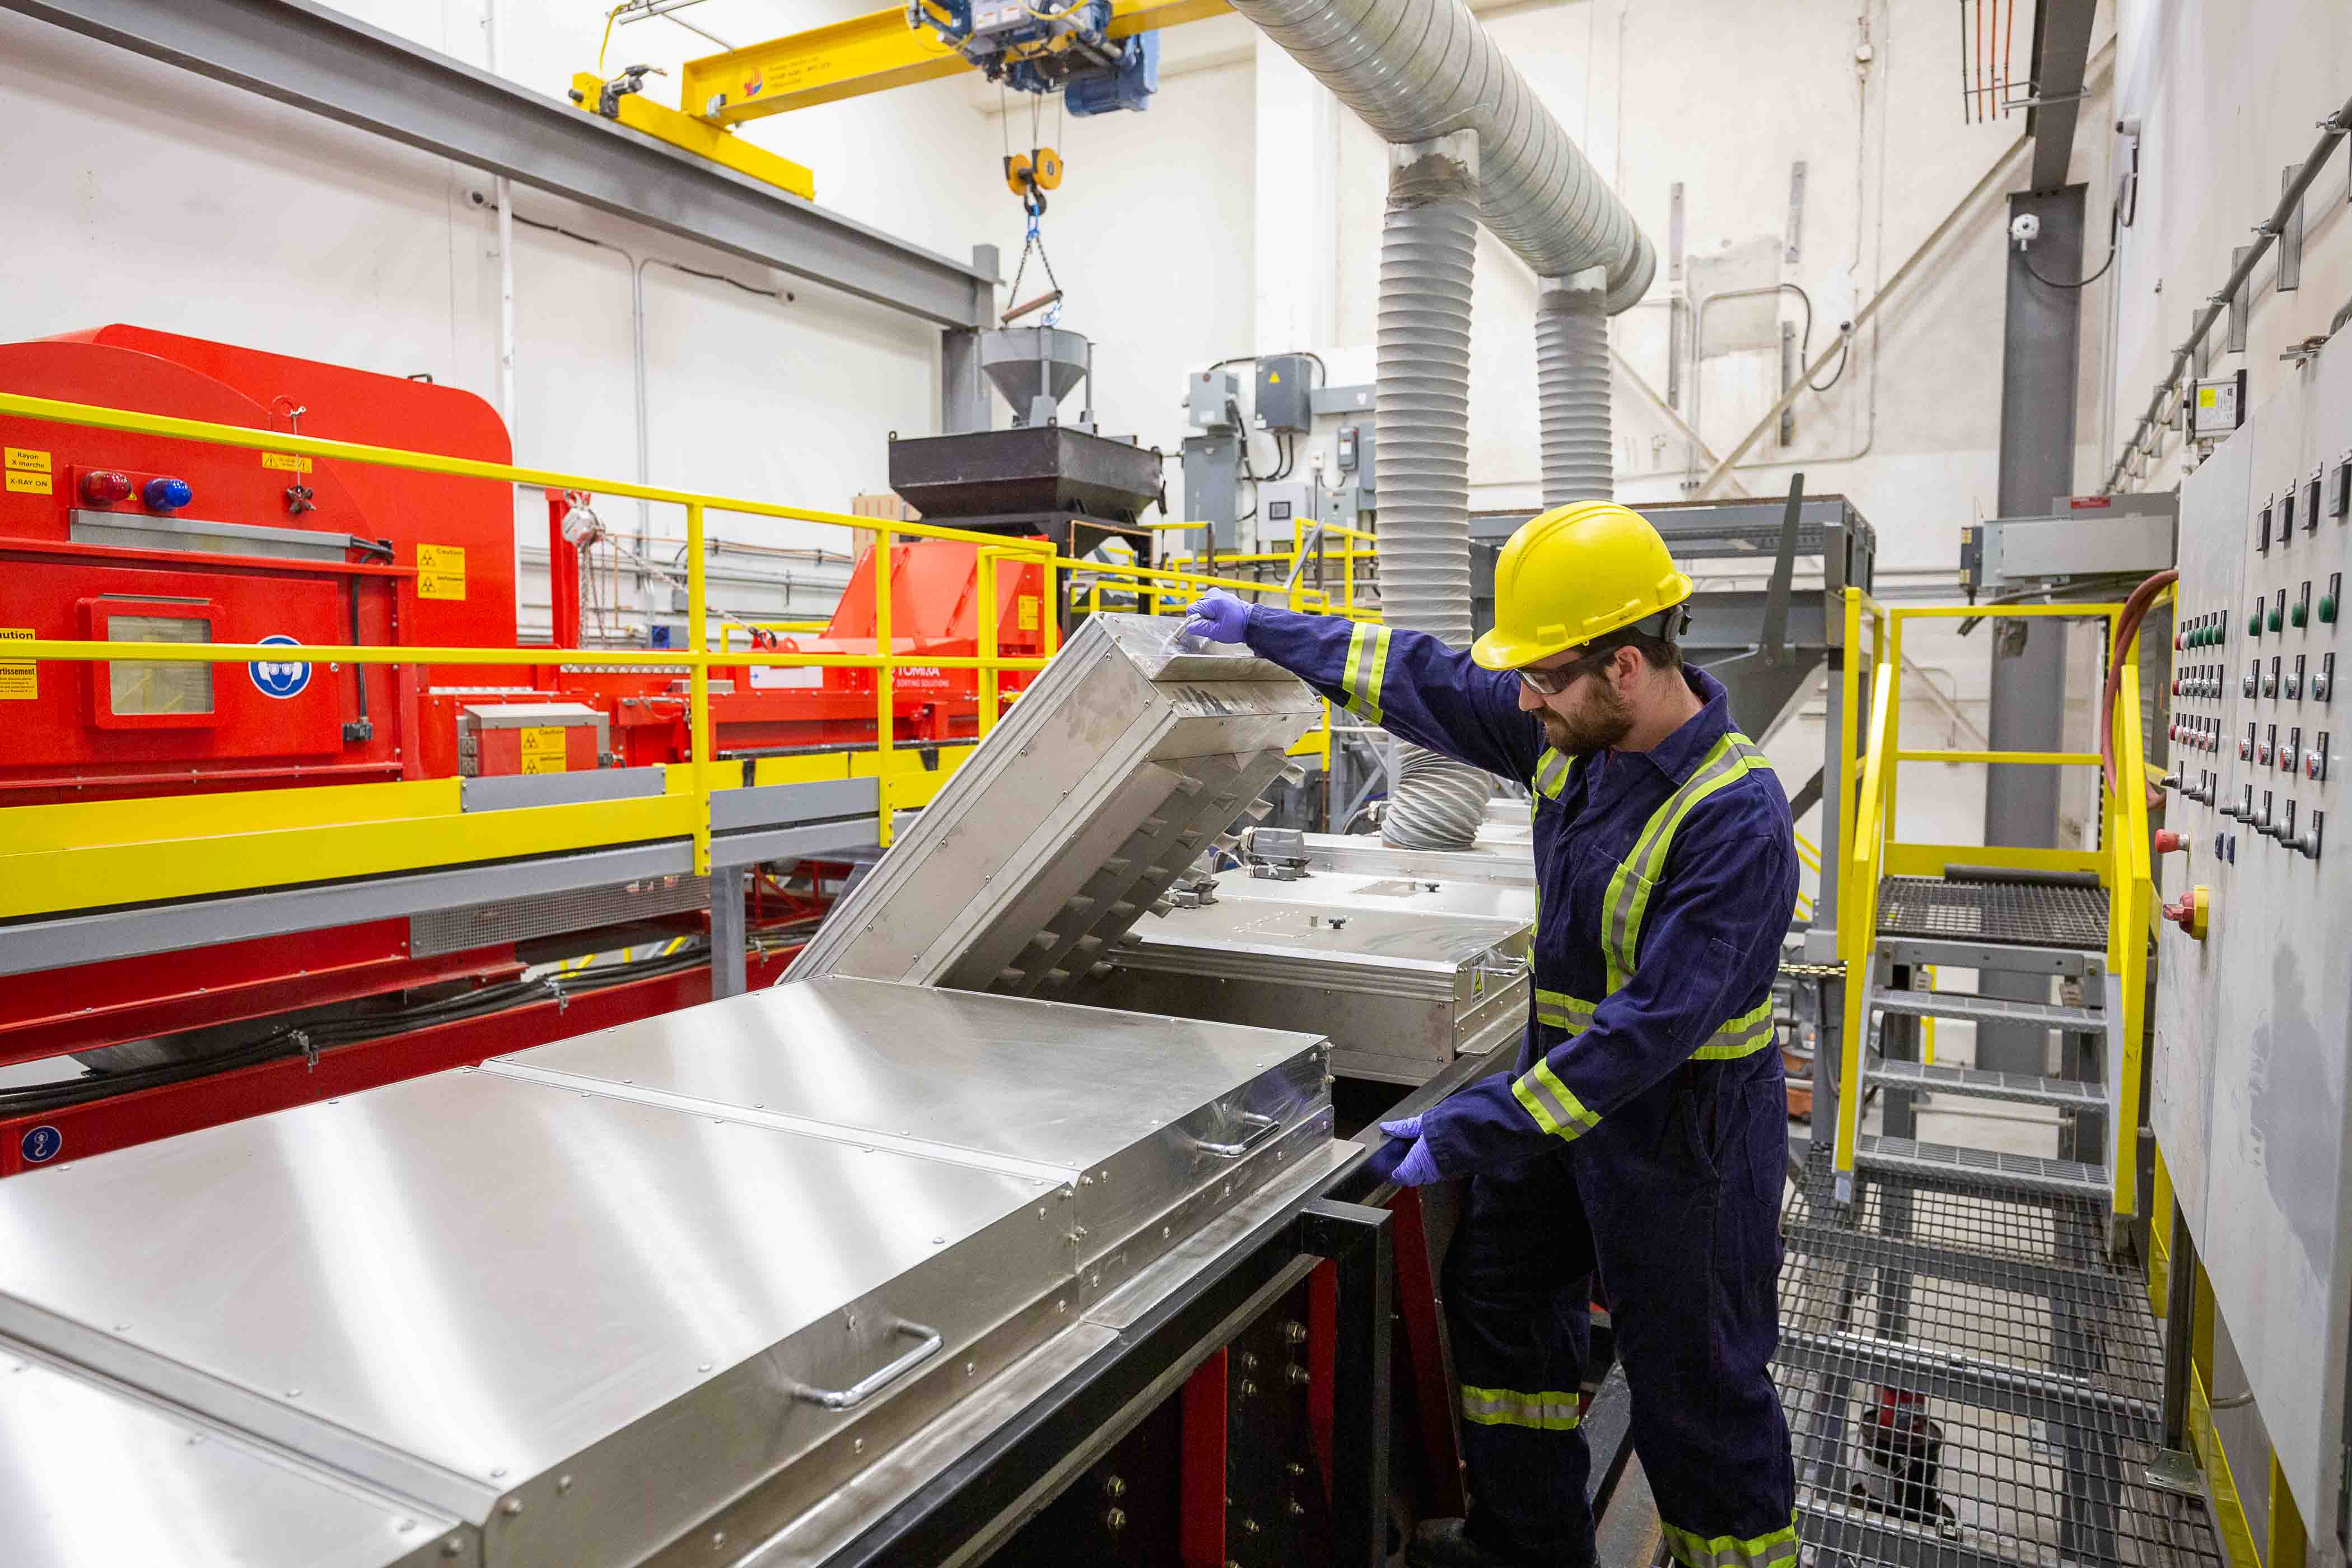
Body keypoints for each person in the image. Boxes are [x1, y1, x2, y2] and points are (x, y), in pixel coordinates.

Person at [1183, 501, 1798, 1568]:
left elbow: (1641, 1040)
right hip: (1559, 1117)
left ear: (1624, 668)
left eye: (1545, 678)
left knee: (1697, 1400)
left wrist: (1469, 1129)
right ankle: (1531, 1543)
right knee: (1503, 1296)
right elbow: (1421, 674)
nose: (1523, 701)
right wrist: (1266, 629)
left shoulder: (1733, 820)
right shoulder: (1573, 730)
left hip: (1679, 1142)